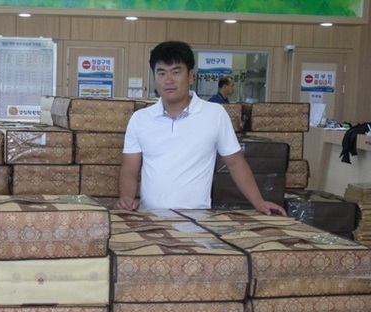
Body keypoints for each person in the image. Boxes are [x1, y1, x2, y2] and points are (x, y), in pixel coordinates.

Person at [115, 41, 286, 216]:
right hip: (150, 218)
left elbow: (235, 163)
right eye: (161, 73)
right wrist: (127, 198)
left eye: (176, 72)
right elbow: (129, 168)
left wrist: (258, 202)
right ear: (154, 78)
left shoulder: (214, 114)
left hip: (197, 220)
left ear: (190, 76)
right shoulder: (140, 119)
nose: (168, 80)